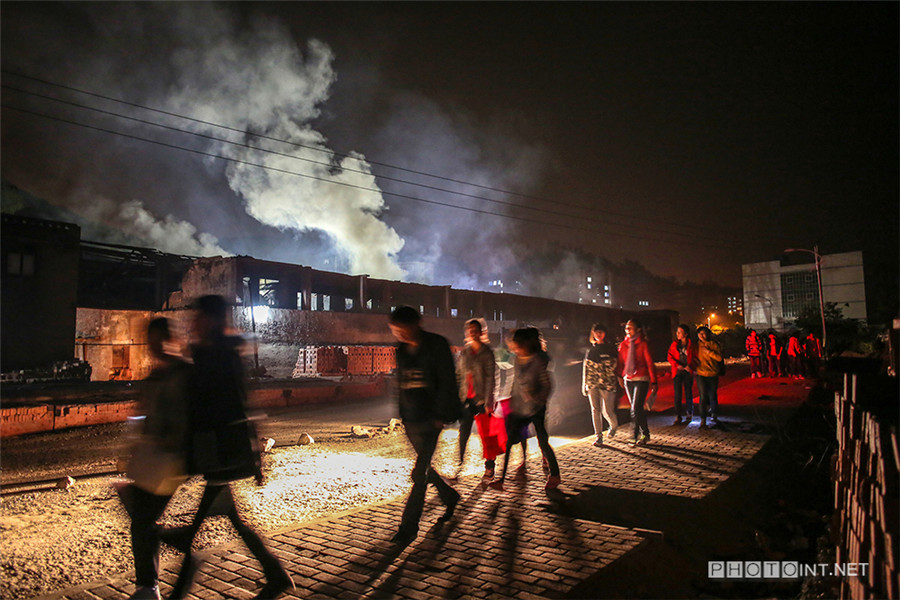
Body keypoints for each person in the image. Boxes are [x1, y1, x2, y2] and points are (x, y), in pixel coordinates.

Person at [166, 296, 292, 600]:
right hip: (215, 445)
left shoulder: (218, 353)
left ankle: (182, 581)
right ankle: (275, 573)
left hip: (219, 446)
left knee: (214, 518)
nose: (194, 322)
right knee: (230, 515)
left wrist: (255, 451)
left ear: (211, 319)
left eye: (198, 317)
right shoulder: (214, 351)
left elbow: (236, 402)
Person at [126, 318, 191, 600]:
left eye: (157, 341)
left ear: (170, 339)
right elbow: (143, 414)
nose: (153, 348)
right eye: (150, 343)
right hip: (154, 457)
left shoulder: (182, 372)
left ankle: (149, 585)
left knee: (142, 518)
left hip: (171, 460)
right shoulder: (159, 374)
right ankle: (148, 583)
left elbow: (184, 416)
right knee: (141, 517)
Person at [388, 306, 461, 546]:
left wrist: (441, 414)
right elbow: (402, 383)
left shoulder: (437, 345)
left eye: (402, 329)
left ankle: (408, 528)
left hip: (432, 418)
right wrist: (402, 414)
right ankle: (449, 496)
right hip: (411, 419)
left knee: (419, 473)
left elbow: (448, 381)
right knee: (425, 467)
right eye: (395, 330)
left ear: (415, 324)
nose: (399, 334)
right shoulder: (401, 351)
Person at [489, 327, 560, 491]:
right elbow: (514, 382)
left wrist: (536, 398)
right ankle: (501, 479)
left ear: (525, 344)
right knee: (509, 441)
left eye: (517, 346)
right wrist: (508, 401)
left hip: (536, 408)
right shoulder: (517, 360)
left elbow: (548, 385)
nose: (514, 349)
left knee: (542, 440)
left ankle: (555, 474)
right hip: (520, 407)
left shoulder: (537, 361)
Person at [455, 319, 497, 480]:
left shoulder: (487, 353)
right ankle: (460, 463)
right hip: (467, 398)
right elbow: (459, 375)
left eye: (475, 330)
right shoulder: (465, 353)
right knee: (463, 431)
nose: (472, 333)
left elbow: (491, 379)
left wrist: (489, 402)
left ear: (481, 333)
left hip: (481, 400)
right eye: (469, 330)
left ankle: (490, 466)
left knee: (486, 435)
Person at [616, 320, 657, 446]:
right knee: (637, 409)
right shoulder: (623, 345)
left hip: (641, 378)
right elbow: (620, 362)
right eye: (627, 327)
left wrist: (654, 381)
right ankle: (645, 433)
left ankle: (634, 434)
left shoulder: (643, 344)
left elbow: (650, 363)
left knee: (635, 408)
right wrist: (619, 376)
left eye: (631, 327)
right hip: (628, 379)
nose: (628, 329)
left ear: (638, 329)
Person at [582, 323, 618, 446]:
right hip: (593, 383)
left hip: (607, 383)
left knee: (607, 410)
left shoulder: (610, 348)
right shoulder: (590, 350)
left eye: (601, 332)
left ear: (605, 333)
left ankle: (613, 426)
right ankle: (599, 437)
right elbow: (586, 368)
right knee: (595, 410)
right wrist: (584, 384)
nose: (598, 334)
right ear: (593, 334)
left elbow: (614, 365)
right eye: (596, 332)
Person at [694, 325, 722, 429]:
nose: (703, 336)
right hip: (701, 374)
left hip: (713, 373)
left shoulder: (714, 345)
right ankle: (703, 419)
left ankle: (714, 413)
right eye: (700, 334)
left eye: (704, 333)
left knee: (712, 394)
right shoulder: (696, 346)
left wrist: (708, 352)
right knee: (703, 396)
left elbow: (719, 358)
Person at [667, 324, 696, 425]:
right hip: (677, 372)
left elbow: (696, 358)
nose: (677, 334)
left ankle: (689, 412)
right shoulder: (675, 344)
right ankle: (678, 415)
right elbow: (669, 357)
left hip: (688, 372)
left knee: (689, 393)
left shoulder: (691, 345)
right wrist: (676, 365)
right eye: (677, 332)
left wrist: (691, 366)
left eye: (680, 332)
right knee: (677, 394)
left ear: (686, 334)